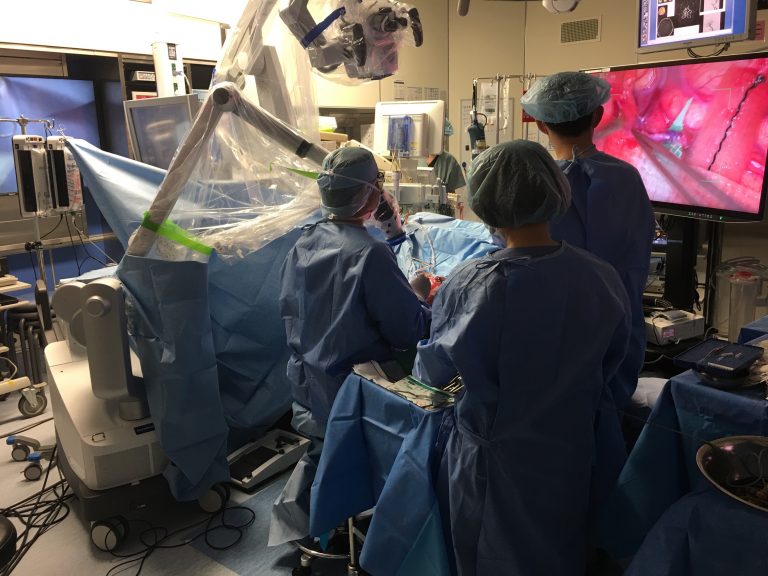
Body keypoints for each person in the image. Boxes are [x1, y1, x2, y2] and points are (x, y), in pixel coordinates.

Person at [412, 140, 631, 576]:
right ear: (556, 192)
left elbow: (432, 381)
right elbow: (615, 364)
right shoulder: (600, 276)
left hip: (494, 469)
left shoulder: (472, 284)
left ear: (484, 204)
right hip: (568, 455)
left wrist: (425, 304)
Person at [269, 147, 431, 546]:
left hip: (309, 388)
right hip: (357, 395)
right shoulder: (370, 253)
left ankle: (310, 519)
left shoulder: (304, 241)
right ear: (369, 193)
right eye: (377, 183)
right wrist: (422, 296)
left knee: (327, 451)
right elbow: (408, 332)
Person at [520, 71, 656, 410]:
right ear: (597, 115)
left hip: (554, 335)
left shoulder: (534, 186)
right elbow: (639, 251)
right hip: (619, 332)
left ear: (541, 124)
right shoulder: (627, 179)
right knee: (606, 415)